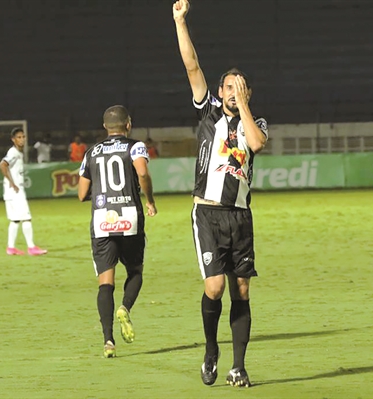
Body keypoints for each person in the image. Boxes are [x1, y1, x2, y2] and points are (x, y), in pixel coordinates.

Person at [173, 0, 268, 388]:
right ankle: (211, 350)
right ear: (218, 91)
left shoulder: (254, 121)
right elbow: (192, 65)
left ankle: (239, 366)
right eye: (228, 87)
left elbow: (257, 144)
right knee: (214, 287)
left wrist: (244, 104)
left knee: (241, 289)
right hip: (207, 214)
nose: (232, 91)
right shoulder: (208, 114)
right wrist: (180, 21)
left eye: (239, 87)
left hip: (240, 215)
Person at [78, 105, 157, 358]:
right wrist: (150, 199)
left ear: (105, 127)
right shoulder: (135, 146)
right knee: (135, 271)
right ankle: (125, 307)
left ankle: (108, 341)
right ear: (129, 124)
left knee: (105, 282)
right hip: (129, 216)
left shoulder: (91, 152)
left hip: (102, 219)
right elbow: (142, 171)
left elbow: (81, 194)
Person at [0, 128, 48, 256]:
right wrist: (12, 182)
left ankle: (11, 247)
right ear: (13, 139)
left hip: (9, 192)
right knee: (26, 218)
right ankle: (31, 247)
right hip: (15, 191)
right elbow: (2, 165)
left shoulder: (17, 153)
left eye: (23, 137)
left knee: (15, 220)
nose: (22, 139)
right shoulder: (13, 152)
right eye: (19, 137)